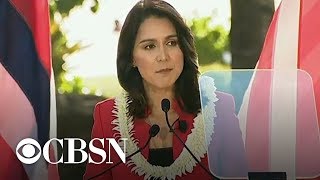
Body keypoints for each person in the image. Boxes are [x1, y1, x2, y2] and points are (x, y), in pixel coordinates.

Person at [84, 0, 247, 179]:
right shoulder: (107, 117)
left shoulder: (219, 109)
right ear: (132, 58)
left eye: (171, 43)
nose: (163, 56)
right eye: (149, 46)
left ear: (183, 48)